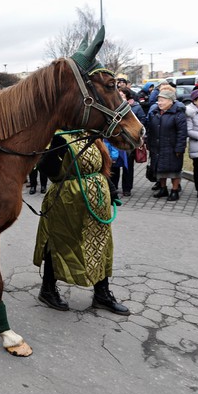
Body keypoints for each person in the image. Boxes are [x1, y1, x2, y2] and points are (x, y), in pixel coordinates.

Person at [32, 131, 130, 315]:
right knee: (60, 244)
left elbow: (98, 167)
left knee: (101, 245)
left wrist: (111, 190)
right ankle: (47, 290)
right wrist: (55, 148)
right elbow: (46, 169)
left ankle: (102, 294)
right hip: (68, 200)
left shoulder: (90, 134)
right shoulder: (60, 136)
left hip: (96, 202)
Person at [146, 90, 187, 201]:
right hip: (157, 146)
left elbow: (182, 133)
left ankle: (174, 190)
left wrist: (180, 148)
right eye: (158, 100)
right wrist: (148, 143)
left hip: (172, 147)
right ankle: (163, 189)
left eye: (162, 100)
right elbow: (150, 130)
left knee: (174, 171)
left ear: (170, 101)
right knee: (160, 170)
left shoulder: (178, 114)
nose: (159, 103)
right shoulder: (155, 113)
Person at [110, 87, 146, 196]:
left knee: (128, 166)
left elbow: (142, 122)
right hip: (117, 141)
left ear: (127, 97)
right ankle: (114, 187)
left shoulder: (136, 108)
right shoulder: (113, 108)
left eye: (122, 96)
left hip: (129, 142)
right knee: (114, 166)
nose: (119, 98)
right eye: (118, 96)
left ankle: (127, 188)